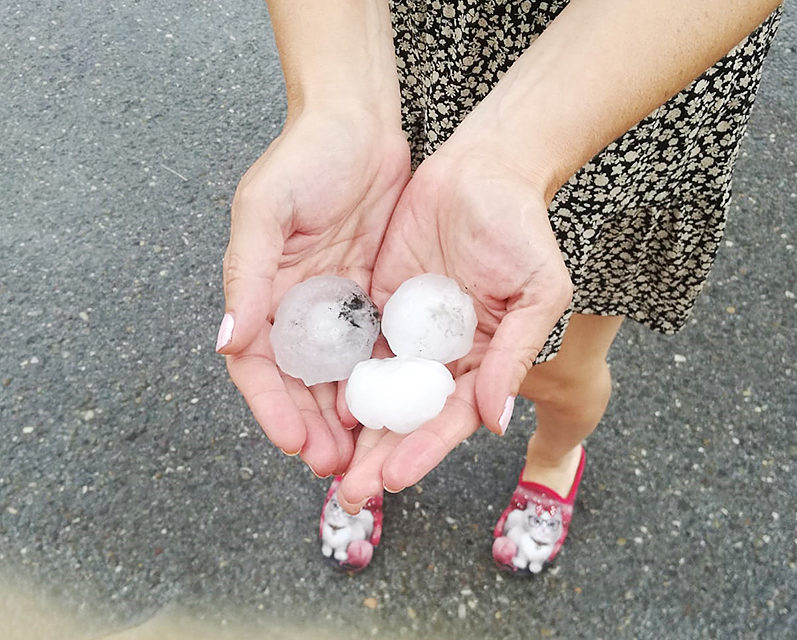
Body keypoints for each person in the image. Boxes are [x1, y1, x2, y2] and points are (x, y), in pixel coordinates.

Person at [215, 0, 783, 573]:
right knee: (382, 393)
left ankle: (554, 459)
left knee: (562, 373)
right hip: (424, 57)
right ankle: (361, 460)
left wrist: (512, 159)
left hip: (637, 80)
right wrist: (339, 107)